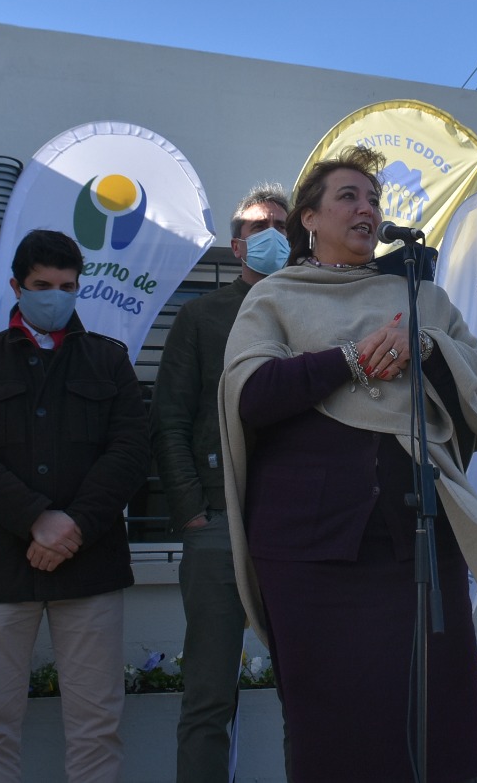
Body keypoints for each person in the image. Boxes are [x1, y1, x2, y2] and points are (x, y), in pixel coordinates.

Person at [217, 145, 477, 783]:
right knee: (331, 727)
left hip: (418, 540)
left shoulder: (421, 297)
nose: (366, 209)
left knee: (437, 719)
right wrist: (349, 360)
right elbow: (250, 395)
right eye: (349, 197)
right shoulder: (276, 298)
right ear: (307, 218)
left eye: (373, 199)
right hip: (309, 547)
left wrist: (424, 346)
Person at [0, 229, 151, 783]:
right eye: (42, 285)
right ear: (17, 286)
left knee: (97, 725)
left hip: (90, 565)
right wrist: (37, 517)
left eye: (67, 285)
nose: (55, 296)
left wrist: (75, 525)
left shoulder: (110, 361)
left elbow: (131, 452)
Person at [151, 183, 289, 783]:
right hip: (215, 524)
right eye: (261, 228)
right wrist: (191, 511)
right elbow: (168, 418)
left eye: (284, 226)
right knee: (208, 696)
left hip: (294, 527)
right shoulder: (201, 315)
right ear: (238, 246)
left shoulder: (314, 308)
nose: (275, 237)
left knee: (308, 689)